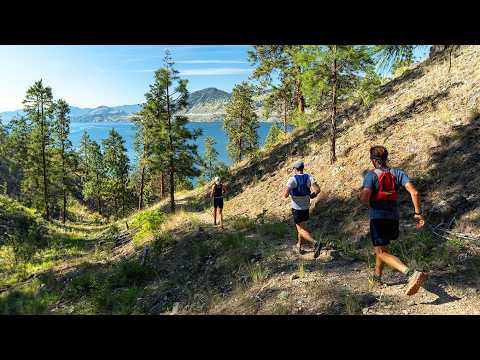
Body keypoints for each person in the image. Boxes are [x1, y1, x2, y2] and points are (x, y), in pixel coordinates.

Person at [358, 145, 427, 296]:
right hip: (394, 218)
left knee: (381, 251)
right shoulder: (398, 173)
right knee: (381, 249)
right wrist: (418, 213)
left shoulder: (371, 175)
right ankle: (377, 278)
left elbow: (364, 198)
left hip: (378, 218)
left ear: (374, 161)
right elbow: (414, 192)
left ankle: (410, 273)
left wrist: (360, 194)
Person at [283, 160, 323, 258]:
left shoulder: (292, 180)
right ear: (302, 168)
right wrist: (312, 195)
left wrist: (292, 193)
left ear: (295, 169)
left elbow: (285, 195)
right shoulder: (309, 177)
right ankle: (299, 246)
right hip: (306, 207)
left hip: (296, 208)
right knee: (301, 227)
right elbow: (317, 190)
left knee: (300, 229)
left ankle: (315, 243)